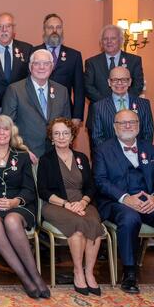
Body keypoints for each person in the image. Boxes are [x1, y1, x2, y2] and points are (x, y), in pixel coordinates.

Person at [93, 109, 154, 296]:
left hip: (149, 200)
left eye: (132, 122)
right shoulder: (103, 150)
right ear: (114, 127)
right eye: (122, 123)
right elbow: (101, 181)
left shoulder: (152, 150)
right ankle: (129, 271)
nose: (128, 126)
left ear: (139, 126)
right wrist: (126, 198)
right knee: (129, 218)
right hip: (118, 202)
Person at [0, 115, 49, 298]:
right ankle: (25, 278)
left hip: (19, 205)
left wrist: (14, 202)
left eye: (5, 129)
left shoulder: (22, 156)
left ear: (11, 131)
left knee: (13, 221)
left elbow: (30, 189)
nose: (1, 133)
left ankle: (36, 277)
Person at [37, 118, 103, 296]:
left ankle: (89, 272)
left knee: (95, 225)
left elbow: (91, 185)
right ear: (51, 137)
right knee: (78, 226)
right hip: (55, 204)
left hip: (82, 202)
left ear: (72, 135)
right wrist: (66, 204)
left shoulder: (81, 158)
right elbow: (42, 191)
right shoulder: (46, 160)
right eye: (56, 133)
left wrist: (83, 202)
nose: (61, 137)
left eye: (65, 133)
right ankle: (78, 272)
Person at [2, 49, 71, 160]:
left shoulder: (62, 91)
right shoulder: (15, 90)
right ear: (30, 67)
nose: (41, 67)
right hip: (26, 155)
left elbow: (67, 125)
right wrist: (22, 149)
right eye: (37, 63)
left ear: (52, 66)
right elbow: (7, 126)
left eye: (46, 64)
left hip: (55, 156)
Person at [84, 24, 144, 144]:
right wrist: (109, 105)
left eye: (113, 38)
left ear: (121, 40)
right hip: (99, 118)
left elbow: (138, 85)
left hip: (128, 118)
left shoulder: (134, 60)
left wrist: (122, 101)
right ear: (101, 42)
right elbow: (88, 87)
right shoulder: (91, 62)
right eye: (105, 39)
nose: (109, 42)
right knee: (99, 156)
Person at [32, 14, 85, 125]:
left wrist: (77, 116)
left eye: (58, 27)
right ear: (44, 30)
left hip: (64, 112)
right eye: (50, 27)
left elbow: (79, 88)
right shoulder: (33, 53)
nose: (54, 31)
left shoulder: (74, 55)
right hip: (36, 112)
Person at [90, 65, 154, 149]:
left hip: (137, 155)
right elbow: (97, 137)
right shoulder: (99, 106)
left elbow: (148, 134)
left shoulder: (144, 104)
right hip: (110, 157)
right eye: (115, 80)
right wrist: (111, 155)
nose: (119, 83)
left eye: (124, 80)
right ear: (109, 82)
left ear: (130, 82)